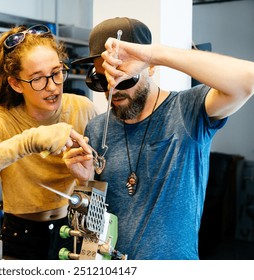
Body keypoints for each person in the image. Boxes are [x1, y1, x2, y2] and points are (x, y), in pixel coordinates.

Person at [70, 17, 254, 260]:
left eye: (125, 77)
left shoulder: (188, 110)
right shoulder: (96, 129)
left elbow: (247, 81)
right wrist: (85, 183)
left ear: (151, 68)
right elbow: (95, 229)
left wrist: (154, 54)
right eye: (102, 80)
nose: (113, 89)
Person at [0, 24, 98, 259]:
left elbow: (101, 182)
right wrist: (26, 142)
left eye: (56, 73)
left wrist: (87, 178)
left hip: (74, 229)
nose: (53, 86)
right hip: (21, 237)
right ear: (15, 83)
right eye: (37, 79)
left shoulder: (81, 108)